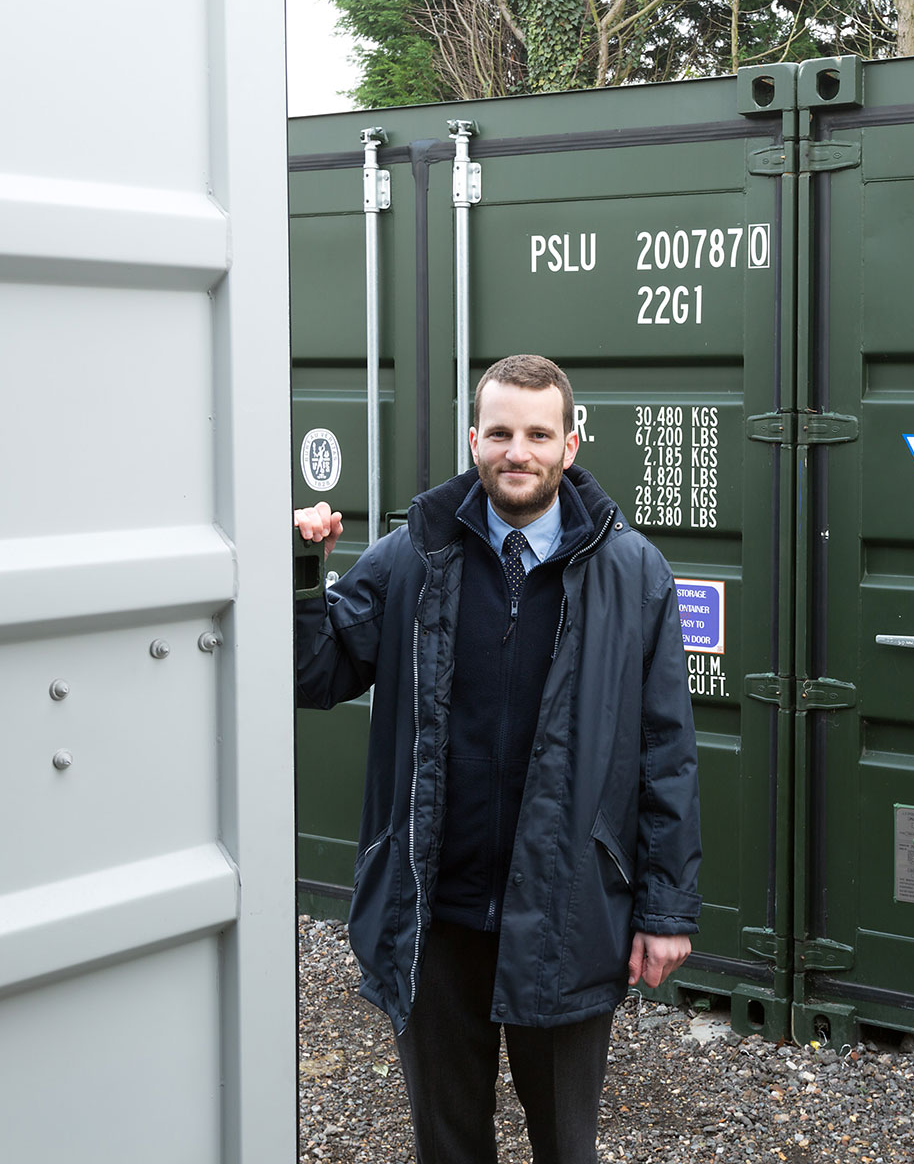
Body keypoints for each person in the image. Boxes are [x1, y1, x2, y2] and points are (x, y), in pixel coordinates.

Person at [294, 354, 701, 1164]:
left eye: (539, 434)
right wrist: (303, 568)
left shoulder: (632, 573)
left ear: (571, 445)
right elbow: (313, 669)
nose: (520, 451)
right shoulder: (416, 554)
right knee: (449, 1147)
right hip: (436, 915)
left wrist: (665, 911)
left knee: (565, 1147)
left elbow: (667, 750)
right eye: (502, 432)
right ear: (474, 438)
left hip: (569, 912)